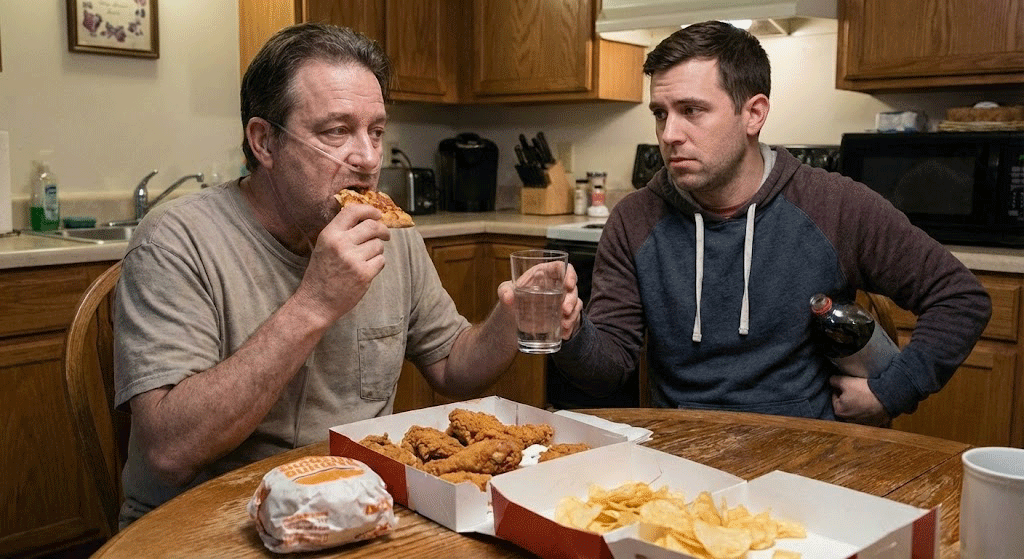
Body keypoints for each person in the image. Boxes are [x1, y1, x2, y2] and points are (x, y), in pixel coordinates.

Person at [112, 22, 580, 528]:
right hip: (210, 522)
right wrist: (315, 302)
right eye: (336, 131)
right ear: (264, 142)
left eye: (376, 131)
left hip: (359, 507)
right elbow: (169, 452)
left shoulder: (389, 232)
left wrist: (508, 321)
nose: (368, 158)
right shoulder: (175, 242)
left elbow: (450, 364)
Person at [551, 21, 990, 426]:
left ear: (754, 114)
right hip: (681, 451)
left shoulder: (834, 204)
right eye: (661, 113)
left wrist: (892, 391)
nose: (669, 134)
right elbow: (608, 372)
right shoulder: (634, 218)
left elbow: (960, 297)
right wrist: (571, 332)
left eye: (691, 110)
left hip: (807, 451)